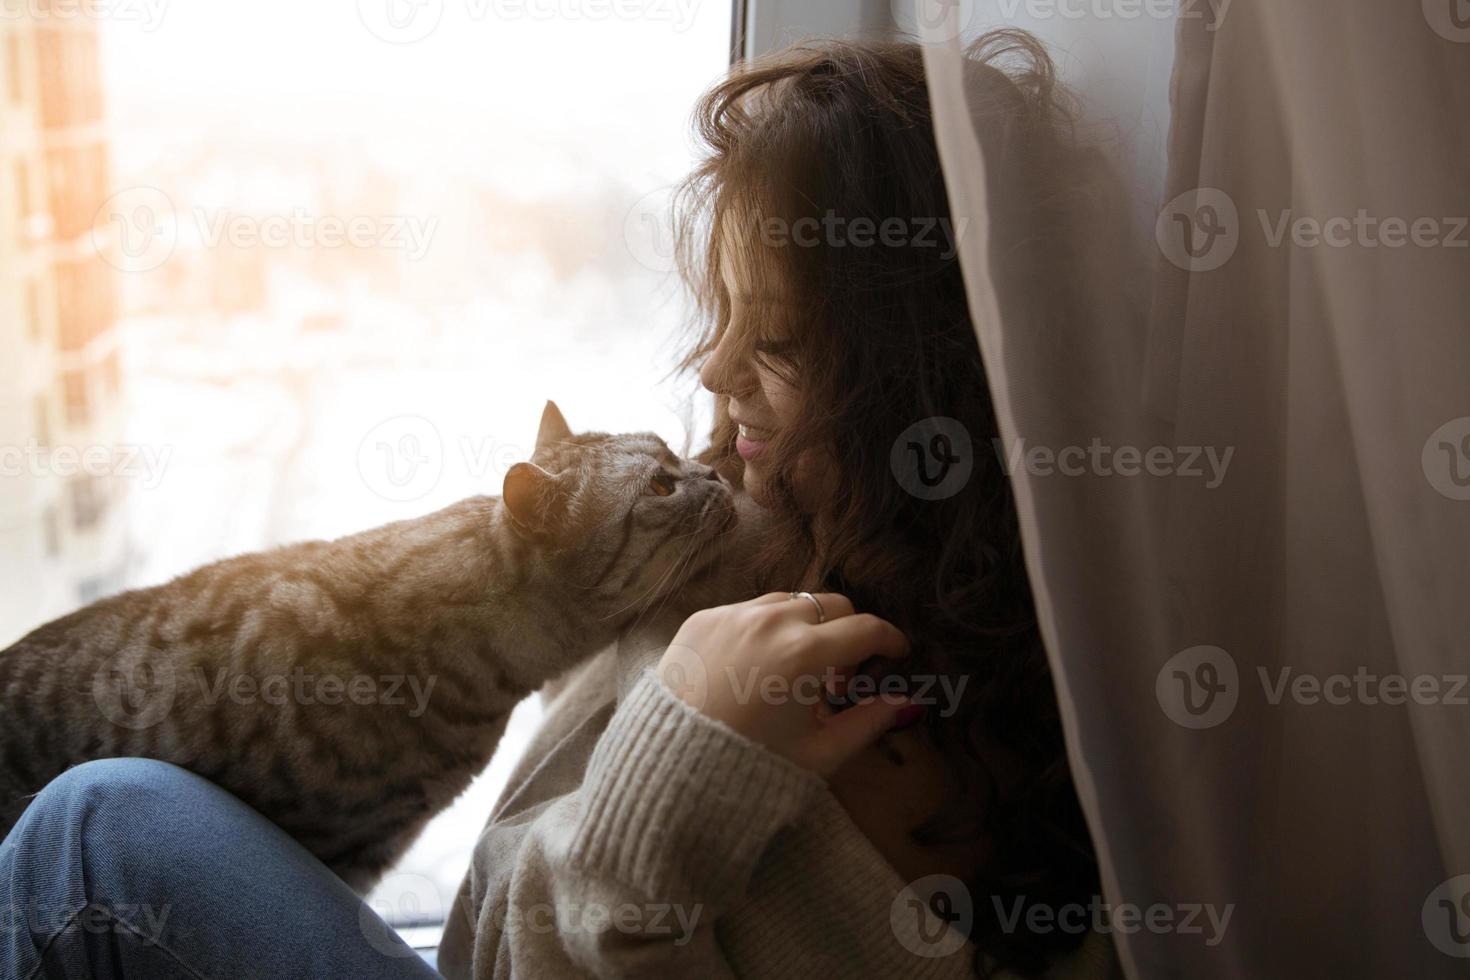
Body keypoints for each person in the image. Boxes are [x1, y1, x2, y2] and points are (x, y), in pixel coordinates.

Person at [2, 33, 1116, 979]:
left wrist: (685, 765)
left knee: (88, 833)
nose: (715, 374)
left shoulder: (947, 765)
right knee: (101, 817)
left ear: (924, 385)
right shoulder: (754, 512)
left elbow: (497, 950)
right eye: (720, 311)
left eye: (773, 342)